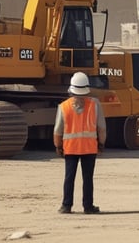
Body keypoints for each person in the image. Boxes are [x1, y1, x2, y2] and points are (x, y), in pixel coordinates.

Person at [53, 71, 107, 214]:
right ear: (87, 89)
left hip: (70, 149)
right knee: (87, 179)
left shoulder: (63, 106)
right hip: (89, 149)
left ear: (71, 89)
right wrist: (101, 144)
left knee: (69, 178)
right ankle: (88, 206)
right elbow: (101, 128)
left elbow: (57, 131)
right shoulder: (94, 104)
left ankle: (66, 206)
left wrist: (58, 146)